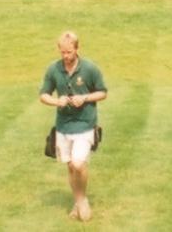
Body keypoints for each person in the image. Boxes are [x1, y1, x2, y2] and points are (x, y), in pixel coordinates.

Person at [39, 30, 107, 221]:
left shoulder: (90, 68)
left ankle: (82, 201)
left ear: (77, 49)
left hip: (85, 124)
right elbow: (43, 95)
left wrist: (84, 98)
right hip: (63, 126)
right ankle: (78, 203)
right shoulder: (53, 69)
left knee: (78, 164)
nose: (65, 56)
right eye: (62, 52)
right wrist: (56, 101)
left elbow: (102, 92)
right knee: (70, 167)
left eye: (69, 52)